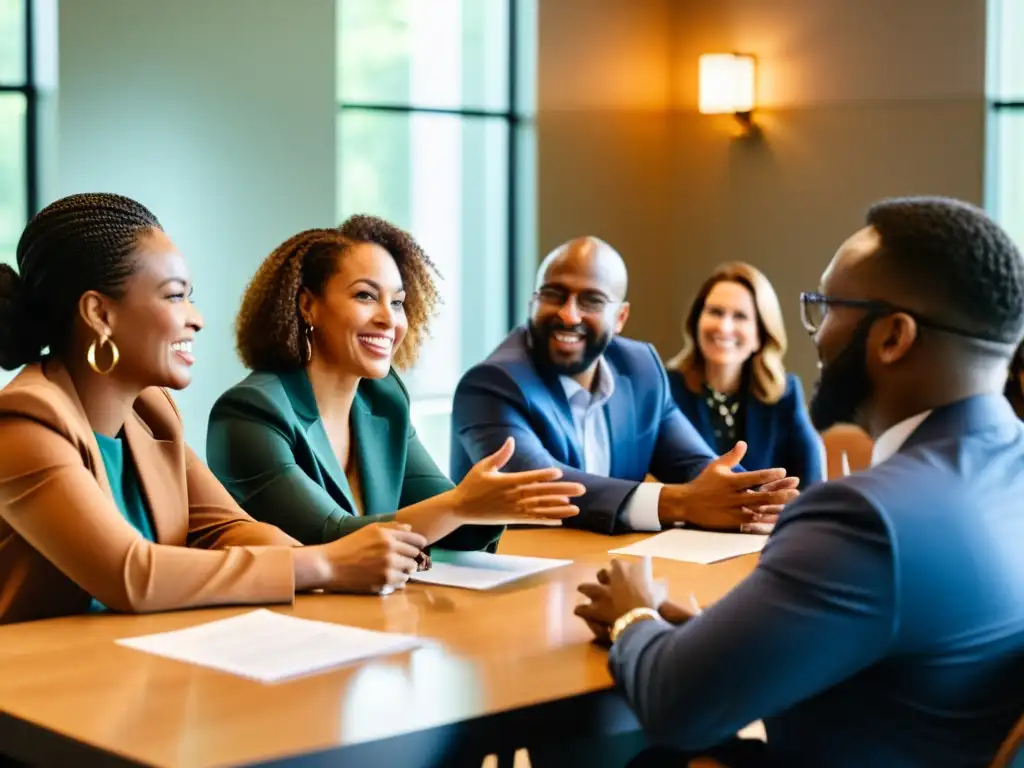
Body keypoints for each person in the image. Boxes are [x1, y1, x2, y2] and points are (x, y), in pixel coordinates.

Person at [576, 197, 1024, 767]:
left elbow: (675, 707)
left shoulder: (865, 517)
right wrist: (720, 634)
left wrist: (633, 613)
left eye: (827, 306)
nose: (815, 333)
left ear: (893, 338)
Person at [0, 194, 430, 626]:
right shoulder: (25, 423)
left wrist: (334, 561)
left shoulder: (152, 414)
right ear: (99, 313)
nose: (196, 318)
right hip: (38, 683)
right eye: (174, 297)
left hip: (135, 665)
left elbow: (227, 529)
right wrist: (327, 565)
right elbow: (131, 574)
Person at [207, 218, 583, 551]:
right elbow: (329, 538)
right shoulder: (251, 412)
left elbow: (454, 530)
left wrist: (488, 503)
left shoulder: (383, 398)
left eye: (398, 302)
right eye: (365, 296)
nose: (389, 319)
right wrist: (460, 506)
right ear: (308, 306)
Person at [449, 236, 799, 535]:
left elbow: (695, 464)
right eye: (554, 294)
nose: (569, 315)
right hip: (510, 577)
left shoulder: (641, 369)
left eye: (591, 301)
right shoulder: (491, 383)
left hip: (606, 568)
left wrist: (754, 500)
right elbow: (540, 488)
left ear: (620, 318)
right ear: (533, 301)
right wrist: (681, 503)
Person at [666, 262, 823, 488]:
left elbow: (810, 484)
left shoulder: (784, 394)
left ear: (761, 333)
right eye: (715, 312)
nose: (724, 327)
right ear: (696, 321)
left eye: (740, 316)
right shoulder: (666, 389)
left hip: (765, 522)